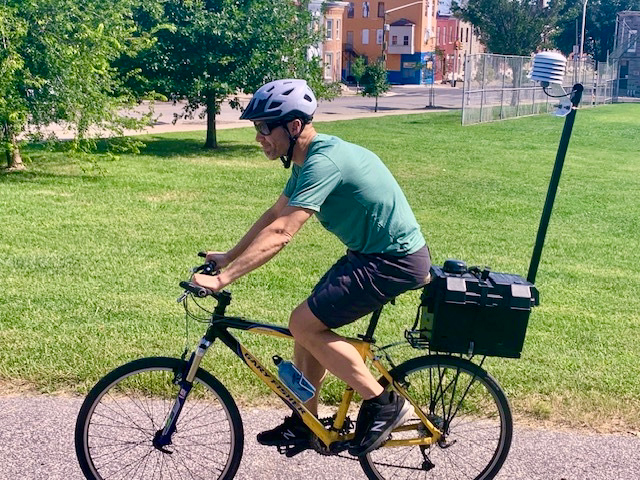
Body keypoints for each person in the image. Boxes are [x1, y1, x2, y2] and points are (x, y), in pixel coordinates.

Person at [192, 79, 430, 457]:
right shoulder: (306, 160)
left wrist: (222, 280)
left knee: (303, 323)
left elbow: (284, 231)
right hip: (370, 255)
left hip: (394, 260)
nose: (259, 138)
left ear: (294, 126)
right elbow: (274, 214)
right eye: (257, 129)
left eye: (264, 128)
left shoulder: (323, 162)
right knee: (304, 326)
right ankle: (307, 423)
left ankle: (385, 404)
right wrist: (228, 257)